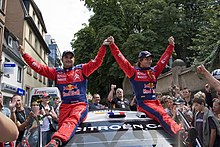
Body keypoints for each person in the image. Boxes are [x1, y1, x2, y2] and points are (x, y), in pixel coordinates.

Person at [18, 39, 108, 147]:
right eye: (66, 57)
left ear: (74, 59)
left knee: (72, 120)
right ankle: (57, 142)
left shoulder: (82, 69)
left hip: (80, 105)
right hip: (65, 106)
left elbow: (97, 62)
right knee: (64, 129)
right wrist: (24, 54)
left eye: (71, 57)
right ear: (62, 59)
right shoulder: (57, 72)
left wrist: (103, 47)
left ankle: (56, 140)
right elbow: (39, 68)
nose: (69, 59)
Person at [106, 36, 185, 137]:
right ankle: (180, 133)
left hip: (155, 102)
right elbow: (122, 60)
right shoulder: (134, 72)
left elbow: (163, 60)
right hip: (144, 103)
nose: (150, 61)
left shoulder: (153, 71)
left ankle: (181, 136)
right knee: (162, 115)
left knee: (165, 116)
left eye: (151, 59)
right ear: (140, 61)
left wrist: (170, 46)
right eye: (147, 59)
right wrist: (113, 45)